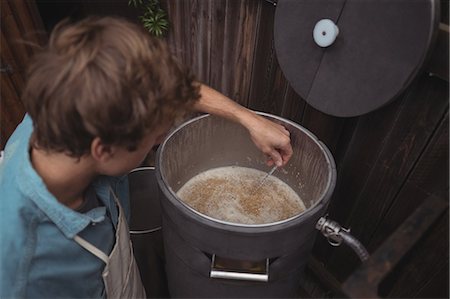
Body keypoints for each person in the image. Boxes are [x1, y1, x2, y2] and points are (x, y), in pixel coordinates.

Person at [0, 16, 292, 298]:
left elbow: (166, 90)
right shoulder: (28, 272)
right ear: (102, 150)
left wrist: (247, 119)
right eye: (153, 139)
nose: (159, 141)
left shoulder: (69, 104)